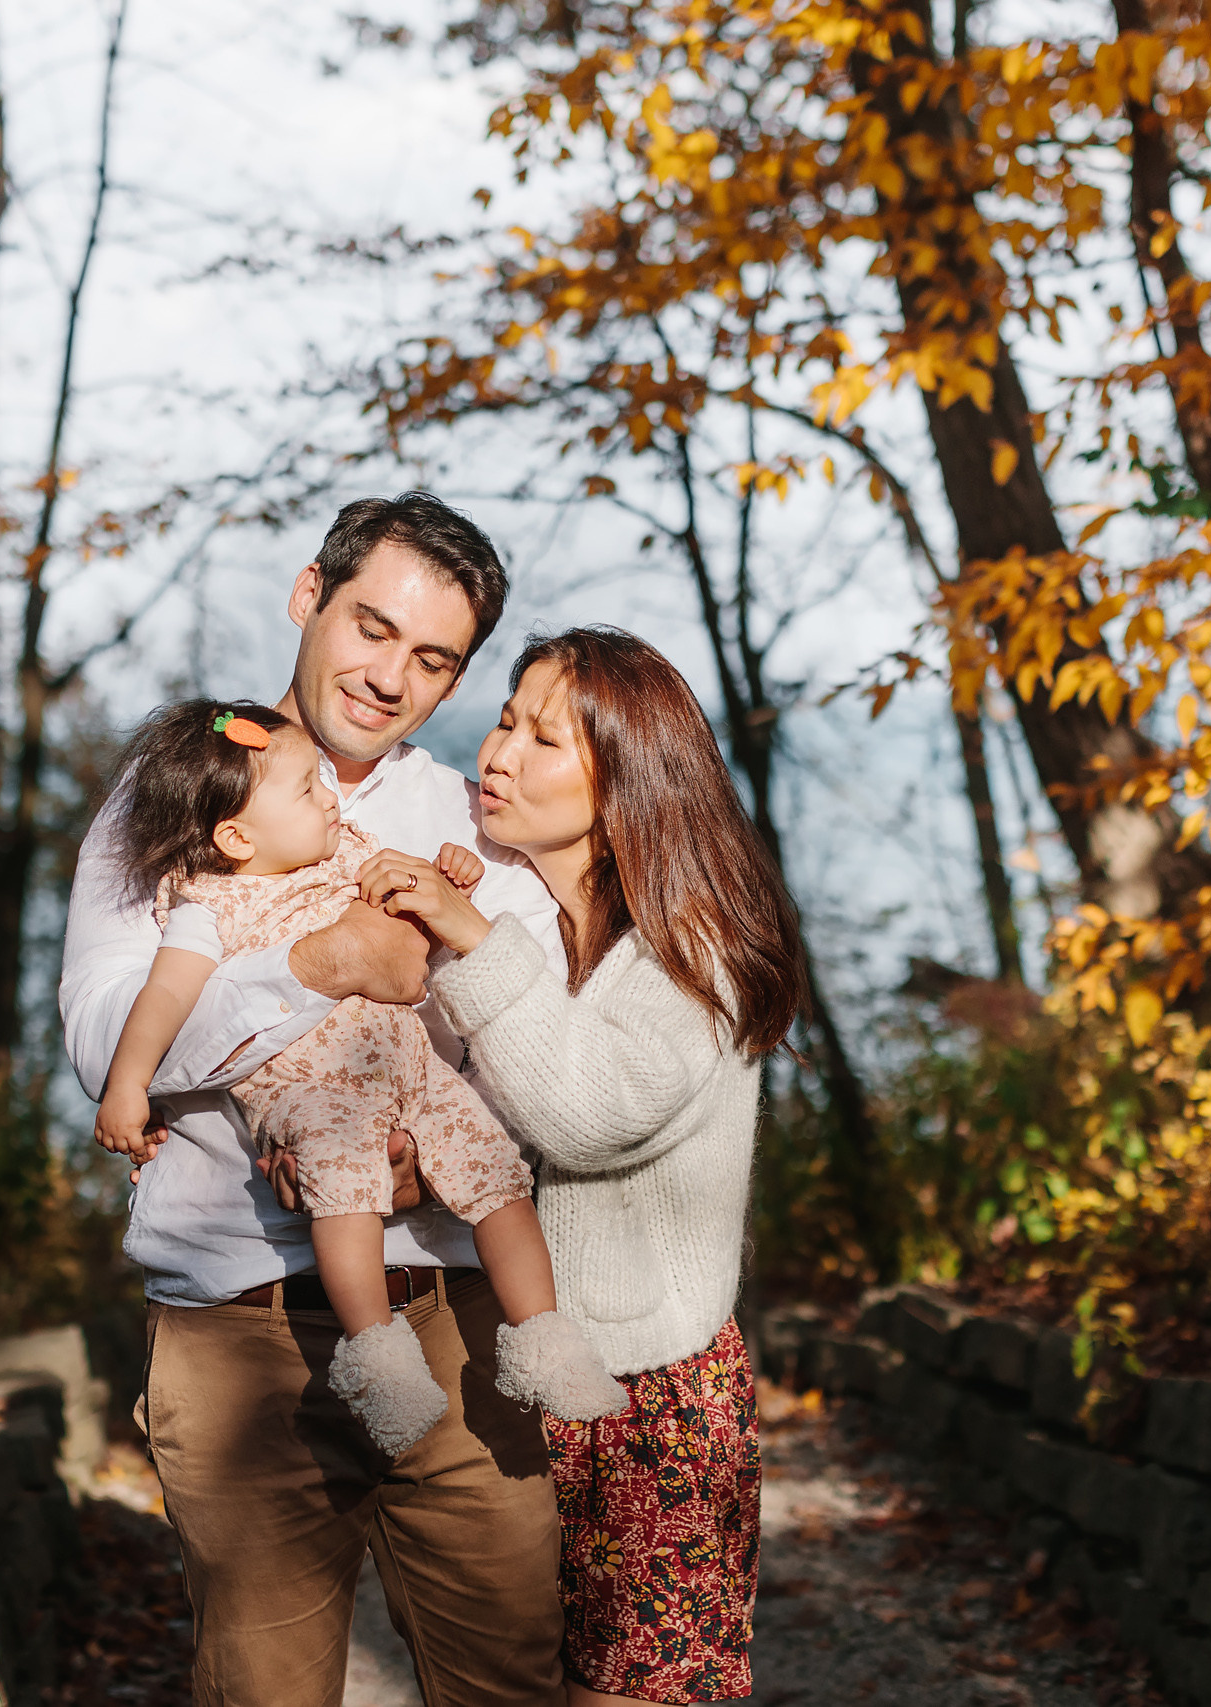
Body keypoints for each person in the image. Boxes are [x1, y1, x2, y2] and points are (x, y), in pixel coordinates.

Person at [58, 494, 570, 1706]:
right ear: (308, 597)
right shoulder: (174, 788)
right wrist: (311, 965)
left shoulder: (469, 821)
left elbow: (542, 1041)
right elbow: (102, 1039)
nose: (389, 677)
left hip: (454, 1317)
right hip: (241, 1334)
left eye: (432, 659)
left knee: (509, 1683)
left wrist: (428, 1156)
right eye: (371, 628)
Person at [363, 626, 805, 1707]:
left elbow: (588, 1114)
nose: (498, 754)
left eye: (543, 738)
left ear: (626, 783)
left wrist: (468, 937)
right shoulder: (532, 925)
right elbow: (504, 1128)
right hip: (513, 1374)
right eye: (503, 720)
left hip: (648, 1393)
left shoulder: (696, 945)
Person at [86, 696, 622, 1452]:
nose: (330, 798)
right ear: (237, 836)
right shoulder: (211, 904)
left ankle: (545, 1340)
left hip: (413, 1069)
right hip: (311, 1092)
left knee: (498, 1178)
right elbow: (164, 999)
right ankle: (377, 1359)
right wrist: (126, 1087)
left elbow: (417, 909)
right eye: (307, 790)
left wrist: (450, 877)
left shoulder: (350, 853)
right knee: (344, 1192)